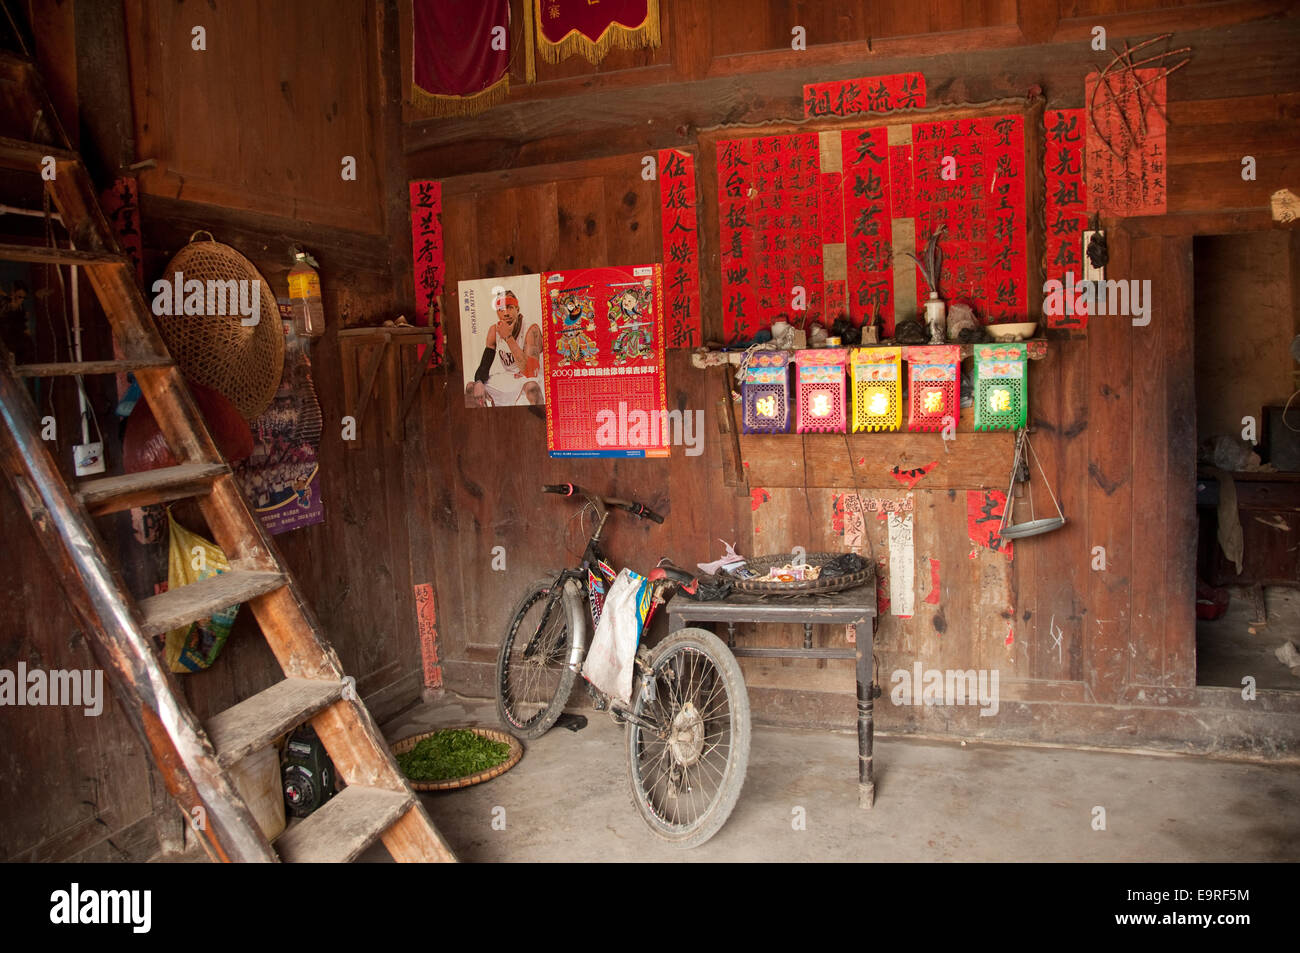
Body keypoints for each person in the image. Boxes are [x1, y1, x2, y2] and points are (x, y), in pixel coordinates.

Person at [465, 289, 543, 406]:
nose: (506, 313)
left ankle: (541, 419)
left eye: (510, 307)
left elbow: (530, 371)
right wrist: (479, 381)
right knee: (472, 388)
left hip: (530, 378)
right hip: (509, 377)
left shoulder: (531, 329)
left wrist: (508, 337)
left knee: (532, 388)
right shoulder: (494, 330)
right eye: (501, 309)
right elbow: (485, 364)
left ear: (517, 309)